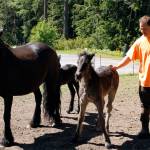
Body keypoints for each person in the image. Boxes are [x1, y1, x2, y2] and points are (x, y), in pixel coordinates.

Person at [112, 15, 150, 139]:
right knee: (145, 107)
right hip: (145, 82)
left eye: (144, 28)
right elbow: (129, 57)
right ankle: (145, 130)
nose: (142, 31)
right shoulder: (140, 41)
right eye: (140, 28)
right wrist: (117, 66)